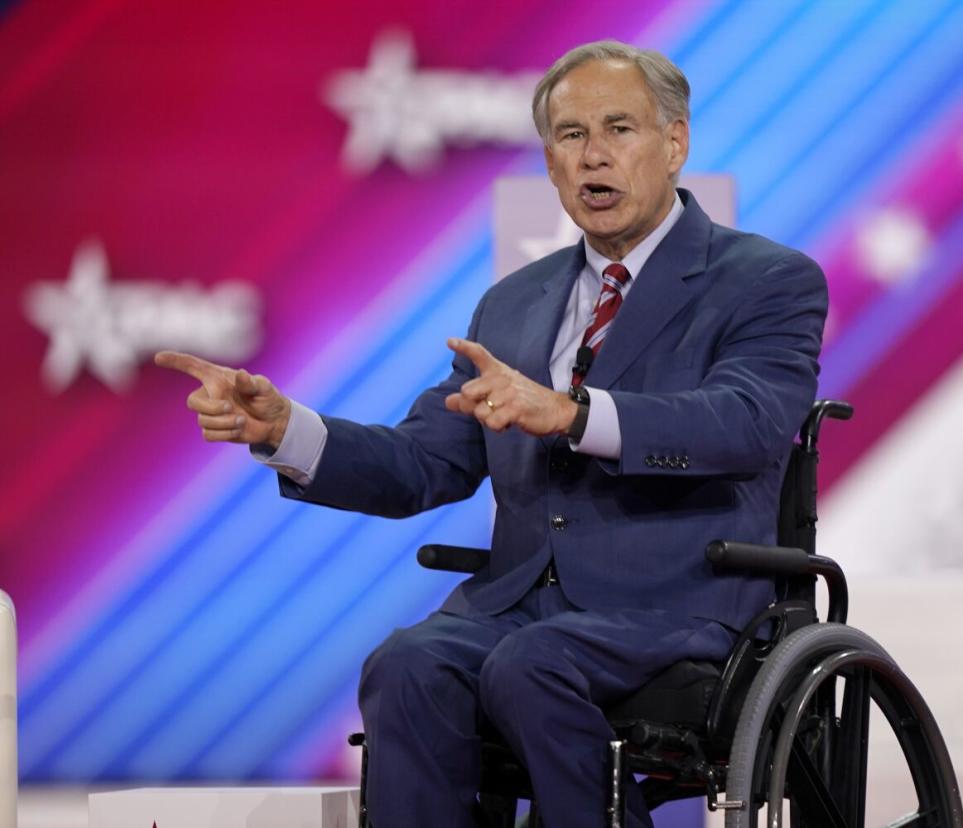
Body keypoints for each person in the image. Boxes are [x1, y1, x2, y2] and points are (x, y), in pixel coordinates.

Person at [157, 40, 826, 828]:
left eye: (619, 129)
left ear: (675, 143)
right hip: (515, 608)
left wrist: (575, 415)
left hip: (676, 602)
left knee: (530, 666)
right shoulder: (513, 304)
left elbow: (745, 423)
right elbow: (419, 465)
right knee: (408, 663)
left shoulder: (765, 280)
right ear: (549, 165)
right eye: (571, 137)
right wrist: (286, 431)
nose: (593, 156)